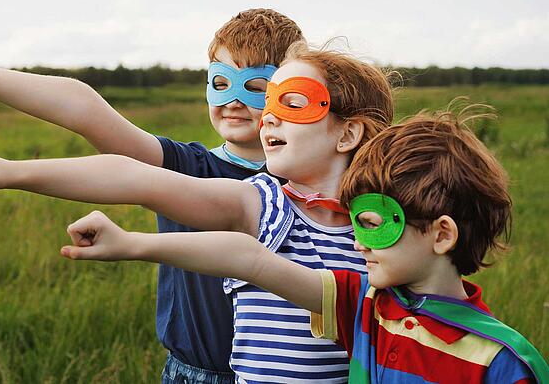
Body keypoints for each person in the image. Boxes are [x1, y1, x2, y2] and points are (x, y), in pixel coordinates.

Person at [0, 44, 396, 382]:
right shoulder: (256, 200)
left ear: (348, 132)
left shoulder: (388, 227)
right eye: (224, 83)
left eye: (285, 100)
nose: (264, 114)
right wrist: (9, 169)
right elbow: (128, 171)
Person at [0, 9, 304, 383]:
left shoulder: (316, 181)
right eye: (220, 82)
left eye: (254, 86)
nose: (233, 100)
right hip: (191, 372)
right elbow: (85, 110)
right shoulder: (185, 167)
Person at [59, 110, 548, 383]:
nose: (356, 239)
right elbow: (247, 258)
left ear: (442, 234)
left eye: (373, 224)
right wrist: (133, 242)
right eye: (353, 222)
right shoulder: (364, 306)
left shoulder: (503, 361)